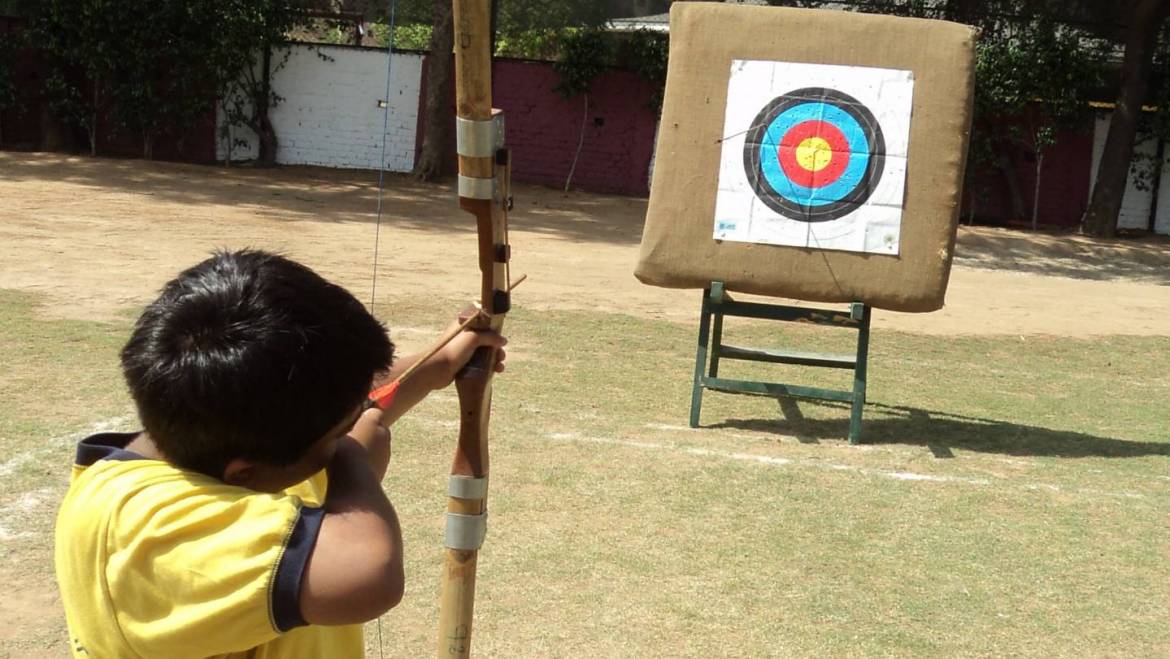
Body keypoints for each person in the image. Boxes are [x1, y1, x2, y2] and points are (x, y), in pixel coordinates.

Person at [53, 249, 506, 658]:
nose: (351, 427)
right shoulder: (143, 532)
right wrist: (352, 458)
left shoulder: (226, 432)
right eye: (335, 436)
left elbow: (362, 400)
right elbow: (368, 574)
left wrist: (439, 362)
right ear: (244, 473)